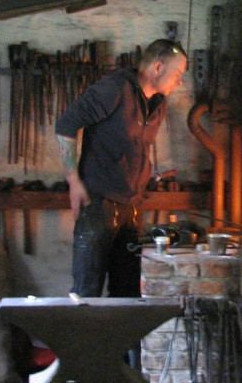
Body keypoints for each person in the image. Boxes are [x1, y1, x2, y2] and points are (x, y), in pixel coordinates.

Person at [55, 38, 188, 299]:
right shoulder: (114, 89)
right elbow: (66, 124)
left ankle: (124, 342)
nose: (180, 81)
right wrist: (74, 181)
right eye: (178, 73)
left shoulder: (158, 103)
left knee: (128, 293)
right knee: (86, 293)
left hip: (132, 206)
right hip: (99, 203)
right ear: (158, 67)